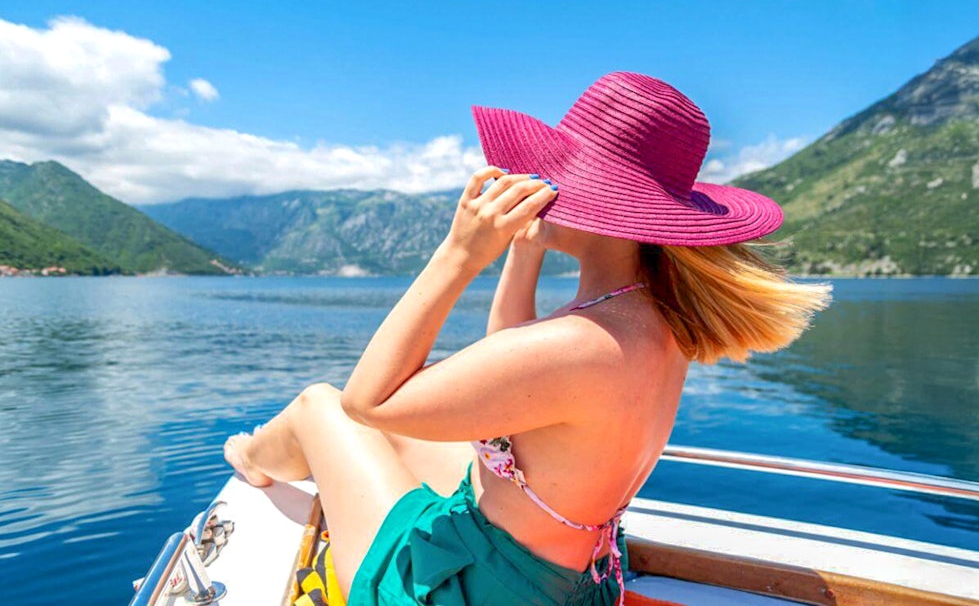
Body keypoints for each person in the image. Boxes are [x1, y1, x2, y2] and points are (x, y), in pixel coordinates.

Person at [223, 72, 831, 605]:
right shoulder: (644, 319)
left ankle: (250, 458)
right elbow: (512, 370)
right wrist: (524, 249)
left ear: (600, 198)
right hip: (564, 582)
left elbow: (368, 399)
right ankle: (266, 456)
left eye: (560, 172)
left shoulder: (582, 342)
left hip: (474, 591)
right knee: (405, 412)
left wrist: (459, 255)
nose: (541, 181)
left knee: (321, 405)